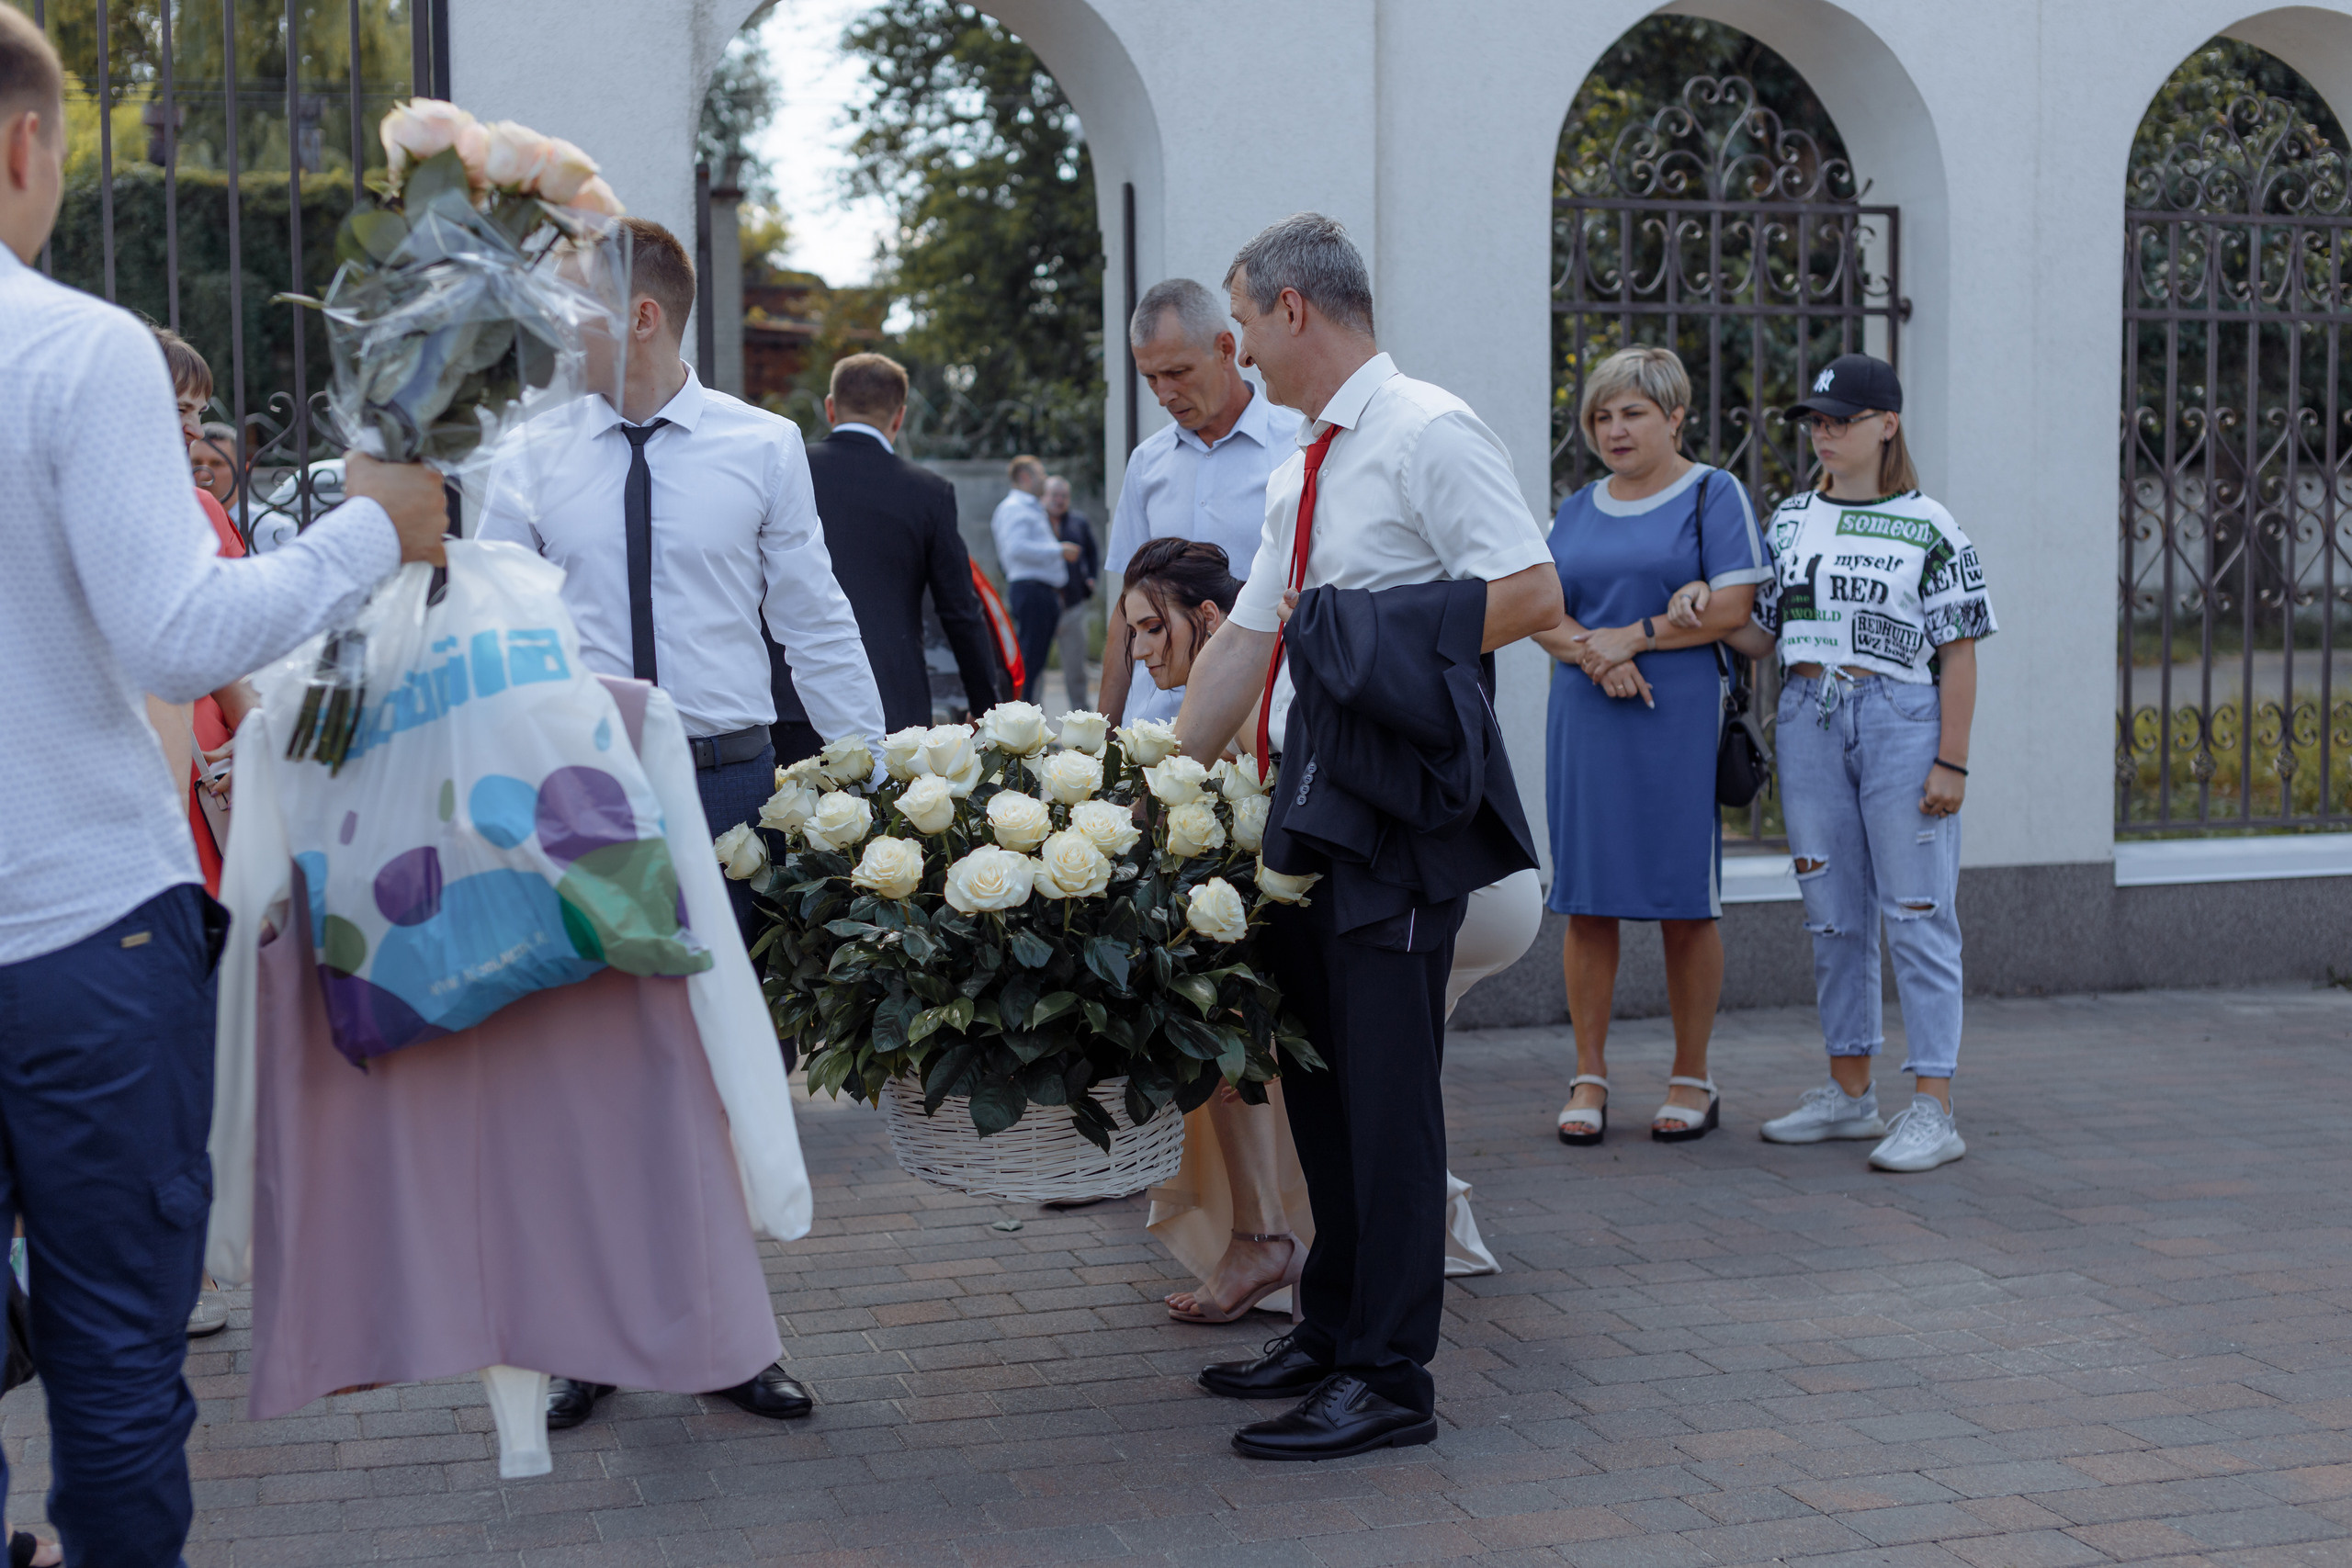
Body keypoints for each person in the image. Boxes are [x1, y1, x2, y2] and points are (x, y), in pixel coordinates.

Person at [1, 15, 451, 1562]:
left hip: (74, 927)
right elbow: (174, 630)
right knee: (119, 1352)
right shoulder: (72, 348)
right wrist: (365, 533)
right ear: (22, 148)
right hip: (80, 934)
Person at [475, 217, 884, 1432]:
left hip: (726, 793)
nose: (556, 332)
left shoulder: (759, 448)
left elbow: (815, 620)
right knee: (588, 1070)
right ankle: (586, 1336)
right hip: (582, 796)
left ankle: (724, 1333)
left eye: (571, 310)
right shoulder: (533, 456)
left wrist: (865, 778)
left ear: (639, 315)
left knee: (714, 1071)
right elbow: (491, 635)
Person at [1170, 213, 1562, 1461]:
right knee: (1324, 1096)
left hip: (1391, 820)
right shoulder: (1305, 461)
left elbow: (1534, 589)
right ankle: (1332, 1329)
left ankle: (1391, 1376)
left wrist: (1378, 636)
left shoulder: (1429, 430)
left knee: (1389, 1106)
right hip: (1305, 821)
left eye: (1243, 322)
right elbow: (1247, 637)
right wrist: (1147, 784)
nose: (1235, 348)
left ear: (1295, 309)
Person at [1125, 540, 1532, 1324]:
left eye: (1152, 629)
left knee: (1355, 1077)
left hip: (1454, 883)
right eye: (1132, 635)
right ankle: (1333, 1283)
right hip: (1423, 873)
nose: (1142, 651)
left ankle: (1316, 1273)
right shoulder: (1258, 656)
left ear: (1210, 617)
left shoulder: (1254, 682)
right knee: (1354, 1077)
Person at [1672, 353, 1993, 1173]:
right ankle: (1851, 1094)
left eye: (1841, 420)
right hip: (1810, 719)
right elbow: (1765, 636)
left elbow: (1959, 654)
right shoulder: (1789, 519)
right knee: (1831, 910)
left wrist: (1951, 762)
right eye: (1816, 421)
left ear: (1887, 424)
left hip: (1901, 721)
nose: (1825, 434)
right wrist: (1706, 609)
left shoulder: (1933, 526)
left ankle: (1934, 1107)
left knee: (1919, 911)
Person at [1532, 346, 1768, 1145]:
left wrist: (1630, 640)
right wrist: (1600, 659)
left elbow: (1734, 602)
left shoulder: (1712, 492)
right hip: (1588, 710)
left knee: (1682, 902)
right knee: (1587, 898)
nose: (1615, 429)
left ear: (1675, 416)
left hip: (1677, 711)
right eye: (1602, 415)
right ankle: (1588, 1074)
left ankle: (1691, 1075)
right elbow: (1542, 612)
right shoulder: (1574, 507)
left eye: (1633, 412)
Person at [768, 352, 1002, 761]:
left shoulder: (783, 470)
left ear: (829, 408)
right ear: (900, 417)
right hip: (889, 710)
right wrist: (987, 709)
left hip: (786, 703)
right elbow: (960, 612)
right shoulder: (928, 492)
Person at [1100, 276, 1292, 728]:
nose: (1164, 395)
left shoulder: (1296, 450)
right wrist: (1098, 744)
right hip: (1151, 732)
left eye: (1177, 373)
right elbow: (1125, 613)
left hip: (1253, 733)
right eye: (1150, 378)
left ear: (1226, 348)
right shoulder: (1147, 463)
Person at [988, 454, 1070, 704]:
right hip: (1031, 590)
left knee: (1034, 665)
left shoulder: (1028, 507)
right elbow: (1016, 549)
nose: (1044, 479)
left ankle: (1025, 724)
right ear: (1025, 477)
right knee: (1028, 666)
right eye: (1040, 474)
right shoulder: (1015, 508)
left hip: (1039, 591)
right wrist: (1058, 550)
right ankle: (1018, 725)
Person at [1043, 474, 1099, 716]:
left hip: (1072, 605)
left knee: (1076, 668)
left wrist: (1091, 578)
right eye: (1054, 495)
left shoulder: (1078, 522)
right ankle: (1034, 722)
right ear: (1045, 497)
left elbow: (1093, 552)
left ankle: (1082, 718)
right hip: (1042, 605)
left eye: (1063, 496)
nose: (1059, 500)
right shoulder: (1034, 522)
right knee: (1034, 669)